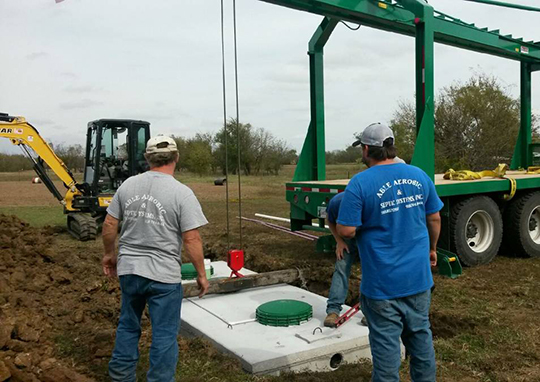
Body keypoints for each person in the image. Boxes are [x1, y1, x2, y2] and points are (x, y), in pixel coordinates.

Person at [336, 122, 442, 382]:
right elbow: (435, 218)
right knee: (421, 339)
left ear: (366, 150)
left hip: (382, 286)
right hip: (418, 281)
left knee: (386, 355)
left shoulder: (359, 183)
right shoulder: (418, 175)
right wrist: (432, 249)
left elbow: (347, 230)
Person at [102, 135, 210, 382]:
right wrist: (201, 275)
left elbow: (109, 224)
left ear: (147, 158)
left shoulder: (127, 185)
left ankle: (120, 377)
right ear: (176, 158)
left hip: (130, 270)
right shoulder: (182, 193)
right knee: (164, 334)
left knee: (128, 325)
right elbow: (192, 239)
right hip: (163, 277)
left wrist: (109, 255)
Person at [323, 192, 359, 327]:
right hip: (346, 237)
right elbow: (330, 221)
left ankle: (370, 311)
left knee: (372, 270)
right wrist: (339, 241)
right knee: (341, 267)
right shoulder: (336, 203)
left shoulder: (365, 201)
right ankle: (333, 310)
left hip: (365, 235)